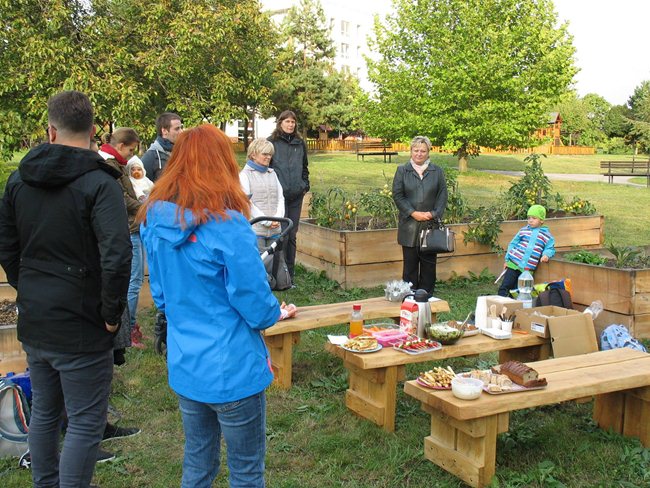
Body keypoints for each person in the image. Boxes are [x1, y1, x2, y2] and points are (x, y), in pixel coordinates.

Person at [0, 90, 132, 487]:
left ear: (51, 131)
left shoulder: (24, 180)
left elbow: (8, 247)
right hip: (77, 321)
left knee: (46, 411)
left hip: (42, 314)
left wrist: (29, 288)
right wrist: (111, 314)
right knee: (84, 419)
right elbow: (117, 255)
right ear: (92, 132)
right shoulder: (95, 183)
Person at [139, 124, 281, 488]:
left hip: (186, 362)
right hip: (232, 367)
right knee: (246, 471)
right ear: (222, 165)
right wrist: (274, 311)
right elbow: (257, 307)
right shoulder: (228, 225)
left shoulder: (154, 219)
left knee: (198, 464)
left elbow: (161, 296)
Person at [98, 128, 147, 350]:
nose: (131, 155)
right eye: (131, 150)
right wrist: (145, 207)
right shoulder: (109, 165)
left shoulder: (116, 163)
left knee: (134, 281)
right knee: (133, 283)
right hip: (128, 229)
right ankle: (128, 330)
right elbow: (122, 198)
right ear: (120, 146)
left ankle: (129, 327)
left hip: (132, 226)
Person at [392, 136, 448, 294]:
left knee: (429, 266)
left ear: (428, 152)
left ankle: (426, 297)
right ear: (411, 151)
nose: (419, 154)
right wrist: (413, 213)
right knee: (410, 265)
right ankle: (410, 297)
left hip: (430, 225)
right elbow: (398, 195)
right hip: (409, 226)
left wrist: (433, 213)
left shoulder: (437, 172)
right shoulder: (402, 171)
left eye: (423, 151)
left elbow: (442, 195)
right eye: (416, 150)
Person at [268, 110, 309, 286]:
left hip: (296, 197)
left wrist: (304, 185)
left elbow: (305, 167)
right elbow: (267, 167)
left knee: (292, 235)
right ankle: (278, 274)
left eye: (293, 122)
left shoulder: (300, 143)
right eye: (287, 121)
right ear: (280, 123)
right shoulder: (272, 142)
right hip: (279, 198)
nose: (290, 125)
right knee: (281, 236)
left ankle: (290, 276)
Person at [498, 204, 556, 297]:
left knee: (519, 291)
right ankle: (500, 301)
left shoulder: (546, 235)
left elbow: (550, 248)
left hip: (527, 270)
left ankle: (514, 304)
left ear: (541, 220)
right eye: (529, 218)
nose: (530, 220)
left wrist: (546, 255)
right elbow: (513, 244)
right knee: (506, 285)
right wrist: (507, 260)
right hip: (513, 264)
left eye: (534, 218)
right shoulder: (523, 230)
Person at [239, 138, 284, 249]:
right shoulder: (244, 175)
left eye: (270, 154)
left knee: (274, 260)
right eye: (265, 154)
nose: (268, 157)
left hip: (275, 231)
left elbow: (280, 198)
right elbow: (246, 203)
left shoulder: (272, 174)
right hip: (255, 231)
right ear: (253, 155)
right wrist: (267, 221)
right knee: (259, 260)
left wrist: (278, 218)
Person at [141, 112, 183, 182]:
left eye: (181, 127)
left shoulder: (183, 152)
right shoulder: (151, 157)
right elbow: (141, 185)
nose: (181, 131)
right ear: (164, 131)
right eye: (177, 129)